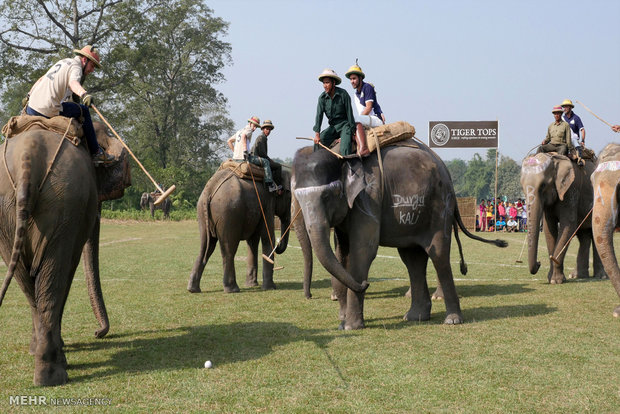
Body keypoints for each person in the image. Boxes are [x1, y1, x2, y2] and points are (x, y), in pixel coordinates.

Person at [25, 45, 114, 164]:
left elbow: (42, 79)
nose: (92, 70)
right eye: (92, 65)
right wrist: (84, 94)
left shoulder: (63, 62)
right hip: (47, 110)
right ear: (84, 60)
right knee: (84, 111)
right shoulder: (76, 67)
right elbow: (73, 83)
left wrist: (28, 95)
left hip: (31, 108)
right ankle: (96, 153)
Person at [228, 116, 280, 192]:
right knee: (266, 162)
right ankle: (270, 185)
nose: (254, 128)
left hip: (235, 158)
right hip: (244, 158)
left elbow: (229, 141)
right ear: (250, 123)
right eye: (254, 125)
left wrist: (235, 152)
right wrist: (245, 151)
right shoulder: (248, 130)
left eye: (256, 127)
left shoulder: (240, 131)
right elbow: (244, 136)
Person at [345, 61, 385, 156]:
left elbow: (368, 108)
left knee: (353, 119)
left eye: (354, 78)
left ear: (360, 78)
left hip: (375, 119)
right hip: (365, 120)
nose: (352, 81)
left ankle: (363, 149)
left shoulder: (367, 87)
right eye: (350, 79)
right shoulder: (356, 94)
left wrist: (355, 120)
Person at [313, 68, 356, 156]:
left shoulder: (343, 94)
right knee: (318, 142)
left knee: (344, 148)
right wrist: (317, 134)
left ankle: (349, 166)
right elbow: (319, 116)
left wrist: (352, 132)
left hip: (345, 125)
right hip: (333, 127)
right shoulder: (322, 98)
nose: (325, 85)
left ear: (334, 83)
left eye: (327, 82)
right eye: (324, 83)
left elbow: (350, 114)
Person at [251, 119, 282, 191]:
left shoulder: (263, 137)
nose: (268, 131)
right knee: (278, 166)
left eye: (270, 130)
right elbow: (262, 154)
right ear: (263, 129)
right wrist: (270, 160)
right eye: (267, 129)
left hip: (258, 157)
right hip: (257, 158)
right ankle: (279, 187)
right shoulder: (262, 137)